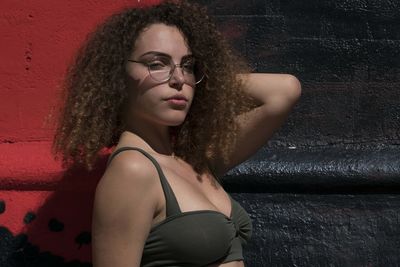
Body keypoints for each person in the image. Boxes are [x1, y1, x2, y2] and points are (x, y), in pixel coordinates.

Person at [52, 1, 301, 266]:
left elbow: (284, 91)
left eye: (188, 65)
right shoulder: (133, 170)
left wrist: (202, 79)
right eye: (157, 64)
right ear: (118, 74)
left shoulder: (193, 159)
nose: (178, 79)